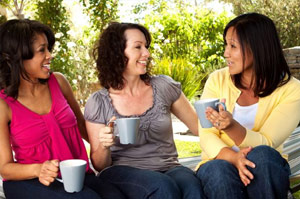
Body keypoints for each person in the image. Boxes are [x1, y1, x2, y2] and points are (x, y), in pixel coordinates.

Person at [0, 19, 122, 199]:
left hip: (75, 174)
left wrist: (106, 139)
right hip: (30, 180)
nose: (50, 55)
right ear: (19, 56)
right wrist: (38, 169)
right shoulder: (4, 104)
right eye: (42, 50)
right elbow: (5, 168)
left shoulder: (58, 82)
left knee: (115, 196)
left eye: (48, 48)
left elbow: (83, 128)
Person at [84, 22, 204, 199]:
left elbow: (200, 128)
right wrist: (104, 144)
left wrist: (219, 121)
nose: (146, 53)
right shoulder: (98, 102)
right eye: (138, 47)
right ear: (117, 53)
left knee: (191, 186)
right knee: (161, 186)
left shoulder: (164, 86)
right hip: (121, 172)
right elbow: (100, 165)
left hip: (169, 167)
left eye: (146, 47)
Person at [195, 12, 300, 199]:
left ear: (258, 48)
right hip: (219, 161)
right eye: (226, 45)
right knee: (218, 171)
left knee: (262, 156)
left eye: (233, 46)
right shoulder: (217, 79)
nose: (226, 53)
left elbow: (268, 142)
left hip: (265, 166)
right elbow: (206, 133)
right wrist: (234, 158)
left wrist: (231, 126)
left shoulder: (293, 90)